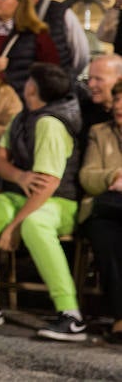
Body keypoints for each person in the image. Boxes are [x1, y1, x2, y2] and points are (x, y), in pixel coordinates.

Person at [0, 63, 86, 341]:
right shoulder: (21, 117)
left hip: (59, 202)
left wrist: (13, 227)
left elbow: (47, 185)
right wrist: (20, 175)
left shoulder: (51, 123)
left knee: (34, 224)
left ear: (32, 88)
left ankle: (70, 314)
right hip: (20, 196)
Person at [78, 79, 122, 344]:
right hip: (105, 209)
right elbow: (87, 177)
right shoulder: (99, 132)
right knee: (107, 239)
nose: (119, 106)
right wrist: (115, 175)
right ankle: (120, 318)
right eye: (117, 100)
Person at [15, 0, 90, 77]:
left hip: (55, 87)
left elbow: (81, 56)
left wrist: (66, 80)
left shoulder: (60, 13)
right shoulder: (6, 14)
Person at [81, 54, 122, 132]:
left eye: (98, 79)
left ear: (119, 80)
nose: (91, 85)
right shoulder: (83, 114)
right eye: (89, 78)